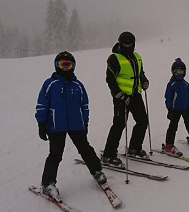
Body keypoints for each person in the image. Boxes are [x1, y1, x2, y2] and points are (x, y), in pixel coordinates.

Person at [36, 51, 106, 202]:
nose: (66, 68)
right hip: (56, 126)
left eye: (69, 65)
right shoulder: (50, 84)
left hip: (76, 124)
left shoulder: (78, 85)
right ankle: (48, 183)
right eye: (62, 65)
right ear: (56, 66)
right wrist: (41, 123)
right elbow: (42, 104)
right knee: (55, 155)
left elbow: (85, 106)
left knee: (85, 149)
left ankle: (97, 171)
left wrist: (85, 122)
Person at [102, 31, 150, 168]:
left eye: (130, 43)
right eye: (125, 44)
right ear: (120, 43)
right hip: (121, 99)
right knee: (119, 125)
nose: (128, 46)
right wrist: (119, 95)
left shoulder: (137, 56)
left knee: (142, 121)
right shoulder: (114, 58)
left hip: (135, 95)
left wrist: (144, 81)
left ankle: (134, 148)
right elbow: (110, 79)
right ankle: (108, 155)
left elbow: (140, 73)